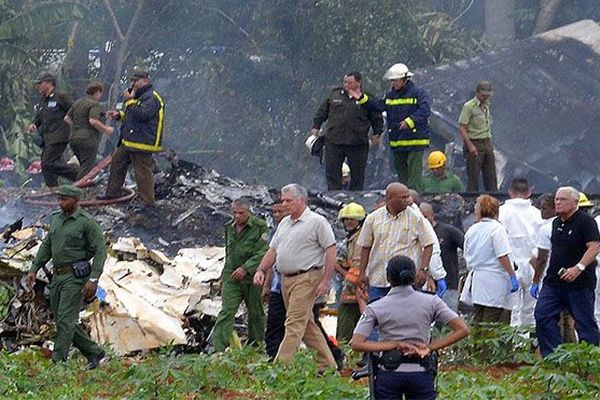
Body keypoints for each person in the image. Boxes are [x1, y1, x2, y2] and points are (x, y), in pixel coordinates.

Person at [350, 255, 469, 400]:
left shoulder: (377, 306)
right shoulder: (432, 302)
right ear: (414, 277)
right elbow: (463, 329)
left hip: (389, 373)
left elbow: (356, 343)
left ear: (388, 277)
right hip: (421, 372)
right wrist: (430, 347)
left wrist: (393, 344)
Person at [253, 183, 337, 371]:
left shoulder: (317, 222)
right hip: (286, 279)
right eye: (283, 200)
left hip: (307, 277)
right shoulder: (284, 223)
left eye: (288, 200)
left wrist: (326, 280)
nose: (284, 204)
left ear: (302, 200)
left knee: (293, 323)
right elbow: (273, 250)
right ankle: (328, 365)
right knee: (306, 324)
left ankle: (280, 369)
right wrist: (260, 270)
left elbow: (331, 249)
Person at [25, 185, 106, 368]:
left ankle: (58, 362)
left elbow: (100, 251)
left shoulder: (86, 222)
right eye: (59, 199)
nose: (60, 203)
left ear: (76, 201)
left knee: (65, 319)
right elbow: (47, 245)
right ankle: (95, 353)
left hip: (75, 277)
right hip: (57, 276)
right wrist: (34, 268)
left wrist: (93, 279)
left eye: (64, 199)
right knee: (63, 318)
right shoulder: (56, 219)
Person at [534, 187, 600, 357]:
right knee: (543, 315)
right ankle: (553, 356)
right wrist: (538, 280)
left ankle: (590, 360)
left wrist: (579, 267)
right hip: (554, 282)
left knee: (584, 322)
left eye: (562, 199)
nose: (558, 202)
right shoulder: (556, 223)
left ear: (575, 202)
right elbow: (544, 254)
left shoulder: (586, 222)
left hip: (579, 283)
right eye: (556, 199)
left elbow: (594, 247)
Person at [349, 63, 431, 192]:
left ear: (405, 79)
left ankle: (416, 201)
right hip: (398, 141)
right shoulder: (390, 95)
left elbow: (424, 111)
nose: (393, 84)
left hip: (415, 141)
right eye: (392, 81)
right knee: (402, 176)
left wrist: (409, 122)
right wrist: (362, 98)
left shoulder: (418, 93)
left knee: (414, 177)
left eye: (395, 80)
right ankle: (404, 199)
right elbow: (379, 106)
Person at [358, 183, 436, 312]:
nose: (407, 200)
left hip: (405, 282)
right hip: (378, 279)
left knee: (404, 318)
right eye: (403, 197)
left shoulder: (416, 218)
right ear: (389, 199)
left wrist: (423, 270)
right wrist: (362, 273)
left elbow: (428, 244)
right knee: (378, 320)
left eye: (408, 196)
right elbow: (365, 247)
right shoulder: (373, 218)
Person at [98, 67, 165, 206]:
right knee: (117, 162)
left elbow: (143, 114)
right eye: (132, 80)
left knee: (142, 172)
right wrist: (119, 115)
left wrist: (128, 102)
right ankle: (112, 193)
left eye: (136, 81)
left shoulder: (152, 97)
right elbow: (133, 116)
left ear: (145, 80)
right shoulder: (139, 96)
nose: (133, 83)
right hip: (129, 141)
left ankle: (147, 202)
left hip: (143, 142)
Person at [210, 198, 268, 352]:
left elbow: (263, 251)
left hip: (252, 276)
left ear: (248, 212)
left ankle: (256, 346)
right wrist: (224, 277)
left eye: (241, 213)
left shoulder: (259, 227)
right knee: (227, 310)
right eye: (234, 212)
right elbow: (229, 252)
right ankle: (218, 347)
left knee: (255, 312)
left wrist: (246, 268)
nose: (237, 216)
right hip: (232, 275)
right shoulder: (229, 227)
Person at [310, 72, 383, 191]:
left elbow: (376, 117)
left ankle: (356, 198)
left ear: (358, 83)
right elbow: (322, 112)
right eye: (345, 82)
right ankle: (333, 195)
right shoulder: (334, 95)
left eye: (350, 82)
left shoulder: (367, 98)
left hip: (357, 142)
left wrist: (377, 133)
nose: (346, 85)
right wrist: (316, 126)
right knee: (332, 172)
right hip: (334, 140)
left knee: (358, 174)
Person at [461, 195, 519, 323]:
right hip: (495, 281)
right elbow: (502, 255)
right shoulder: (497, 229)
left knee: (478, 321)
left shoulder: (472, 229)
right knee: (493, 324)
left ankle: (477, 344)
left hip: (477, 282)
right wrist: (512, 275)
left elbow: (466, 255)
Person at [530, 193, 577, 343]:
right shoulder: (572, 224)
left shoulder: (546, 227)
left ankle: (556, 353)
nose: (542, 212)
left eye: (544, 209)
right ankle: (572, 352)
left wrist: (535, 281)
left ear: (553, 209)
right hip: (570, 276)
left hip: (551, 280)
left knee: (552, 317)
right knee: (568, 318)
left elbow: (540, 258)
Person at [498, 177, 542, 327]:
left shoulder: (501, 212)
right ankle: (529, 345)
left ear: (510, 192)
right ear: (529, 192)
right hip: (533, 265)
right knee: (530, 311)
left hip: (510, 266)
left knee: (513, 310)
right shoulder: (537, 214)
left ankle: (515, 346)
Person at [27, 71, 78, 187]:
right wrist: (33, 124)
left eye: (40, 83)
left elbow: (75, 110)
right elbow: (39, 117)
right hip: (46, 139)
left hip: (59, 136)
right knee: (47, 167)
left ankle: (79, 175)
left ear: (49, 83)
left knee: (47, 162)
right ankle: (53, 190)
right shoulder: (43, 101)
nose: (38, 86)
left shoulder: (61, 96)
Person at [64, 81, 114, 180]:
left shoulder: (78, 102)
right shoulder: (94, 104)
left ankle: (77, 189)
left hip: (74, 138)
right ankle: (77, 191)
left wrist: (77, 127)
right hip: (87, 140)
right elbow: (93, 121)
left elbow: (66, 118)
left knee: (83, 166)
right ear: (97, 92)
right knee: (87, 168)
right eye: (100, 93)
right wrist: (106, 129)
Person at [420, 202, 464, 312]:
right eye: (421, 217)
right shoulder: (418, 233)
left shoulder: (448, 231)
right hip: (426, 284)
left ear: (432, 215)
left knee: (448, 316)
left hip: (449, 282)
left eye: (426, 217)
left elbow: (467, 246)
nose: (424, 220)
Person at [335, 202, 368, 343]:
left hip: (358, 286)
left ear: (359, 221)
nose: (348, 222)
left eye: (352, 219)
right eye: (346, 219)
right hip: (354, 286)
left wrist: (350, 282)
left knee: (348, 319)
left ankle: (346, 346)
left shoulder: (362, 237)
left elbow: (358, 264)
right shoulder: (351, 238)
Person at [458, 81, 497, 192]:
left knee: (490, 175)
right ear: (477, 93)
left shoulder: (487, 104)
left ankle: (493, 199)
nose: (485, 97)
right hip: (474, 142)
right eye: (483, 95)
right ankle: (472, 200)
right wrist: (470, 145)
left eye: (488, 95)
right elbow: (462, 127)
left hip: (487, 141)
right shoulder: (469, 107)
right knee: (473, 176)